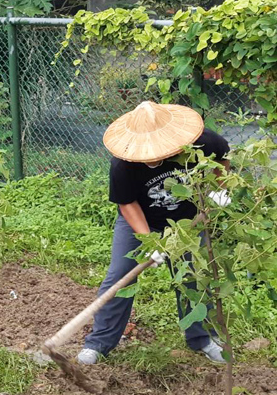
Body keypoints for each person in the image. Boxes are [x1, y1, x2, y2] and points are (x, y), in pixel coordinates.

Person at [77, 101, 229, 365]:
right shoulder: (122, 164)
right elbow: (127, 203)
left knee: (195, 276)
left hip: (189, 222)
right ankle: (99, 343)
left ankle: (202, 338)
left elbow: (222, 159)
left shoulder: (201, 142)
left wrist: (218, 187)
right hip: (139, 219)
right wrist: (149, 240)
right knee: (120, 275)